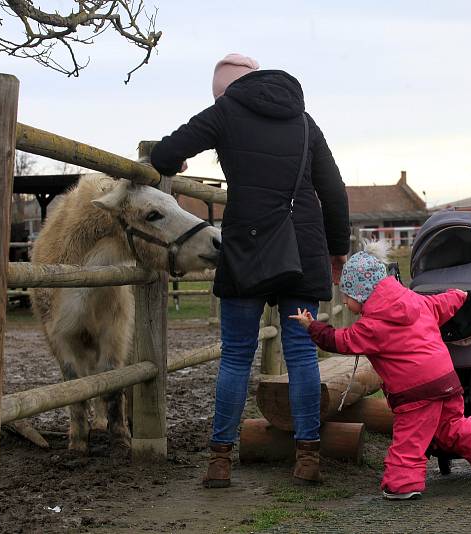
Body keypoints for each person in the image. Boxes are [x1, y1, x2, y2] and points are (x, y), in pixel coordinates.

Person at [150, 53, 350, 487]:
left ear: (223, 90)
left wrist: (175, 164)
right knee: (301, 353)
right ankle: (308, 456)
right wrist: (337, 249)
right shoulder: (303, 120)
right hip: (302, 246)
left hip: (248, 246)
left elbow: (165, 153)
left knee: (237, 355)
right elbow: (332, 188)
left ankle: (220, 460)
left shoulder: (225, 111)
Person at [289, 241, 471, 500]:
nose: (345, 302)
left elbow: (339, 341)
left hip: (416, 392)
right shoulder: (414, 300)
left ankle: (402, 485)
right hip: (446, 380)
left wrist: (312, 327)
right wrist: (464, 295)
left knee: (409, 439)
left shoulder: (372, 326)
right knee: (449, 425)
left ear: (362, 293)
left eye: (347, 295)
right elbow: (442, 302)